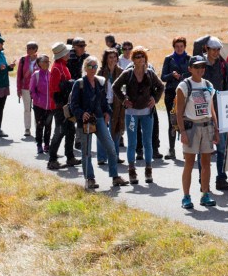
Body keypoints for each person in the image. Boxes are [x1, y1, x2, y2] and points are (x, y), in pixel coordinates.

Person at [114, 46, 164, 184]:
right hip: (131, 114)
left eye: (143, 56)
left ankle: (148, 170)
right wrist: (124, 100)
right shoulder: (128, 73)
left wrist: (155, 99)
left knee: (148, 142)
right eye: (137, 56)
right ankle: (132, 171)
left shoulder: (150, 73)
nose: (141, 58)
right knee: (132, 143)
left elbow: (161, 87)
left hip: (147, 113)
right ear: (133, 59)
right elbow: (115, 87)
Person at [70, 56, 120, 191]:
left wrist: (107, 113)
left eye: (95, 67)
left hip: (98, 119)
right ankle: (89, 179)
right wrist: (81, 113)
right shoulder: (79, 83)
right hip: (85, 122)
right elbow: (73, 105)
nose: (93, 69)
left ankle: (115, 176)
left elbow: (103, 101)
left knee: (111, 147)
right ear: (85, 68)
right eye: (90, 66)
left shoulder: (99, 82)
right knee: (86, 152)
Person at [175, 55, 218, 210]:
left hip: (207, 126)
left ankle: (205, 194)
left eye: (202, 67)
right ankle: (186, 196)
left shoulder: (208, 84)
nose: (200, 70)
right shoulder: (184, 86)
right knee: (189, 162)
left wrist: (216, 129)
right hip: (191, 127)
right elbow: (179, 112)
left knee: (206, 162)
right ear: (190, 69)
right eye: (196, 67)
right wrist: (183, 132)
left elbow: (211, 108)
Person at [202, 38, 228, 191]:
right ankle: (203, 180)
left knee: (222, 148)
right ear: (206, 49)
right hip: (202, 114)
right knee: (204, 149)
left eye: (218, 49)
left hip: (221, 113)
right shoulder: (198, 65)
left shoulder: (224, 66)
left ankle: (221, 178)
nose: (216, 52)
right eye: (213, 49)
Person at [47, 43, 78, 169]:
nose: (69, 53)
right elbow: (54, 89)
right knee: (60, 131)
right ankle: (52, 159)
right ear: (62, 54)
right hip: (60, 106)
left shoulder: (62, 66)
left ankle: (70, 157)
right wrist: (61, 106)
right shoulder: (57, 68)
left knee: (71, 130)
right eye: (67, 52)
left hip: (66, 104)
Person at [160, 36, 191, 161]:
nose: (179, 48)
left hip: (185, 93)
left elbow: (192, 74)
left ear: (184, 47)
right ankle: (171, 149)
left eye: (181, 46)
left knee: (187, 121)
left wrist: (181, 77)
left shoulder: (189, 59)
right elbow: (163, 77)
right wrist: (172, 75)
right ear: (174, 47)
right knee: (172, 122)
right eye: (177, 46)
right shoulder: (168, 59)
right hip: (170, 93)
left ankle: (186, 150)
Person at [29, 53, 53, 155]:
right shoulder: (36, 75)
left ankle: (47, 145)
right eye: (45, 61)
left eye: (48, 61)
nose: (47, 63)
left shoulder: (51, 74)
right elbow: (32, 90)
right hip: (39, 106)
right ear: (39, 63)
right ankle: (39, 145)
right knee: (40, 125)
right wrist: (37, 100)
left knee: (48, 126)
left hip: (50, 106)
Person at [16, 41, 41, 140]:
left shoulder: (40, 60)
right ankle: (27, 128)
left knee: (37, 109)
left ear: (35, 49)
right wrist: (18, 89)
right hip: (25, 88)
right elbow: (19, 76)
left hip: (38, 89)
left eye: (30, 48)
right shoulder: (23, 60)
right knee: (27, 109)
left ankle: (38, 128)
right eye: (27, 48)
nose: (28, 50)